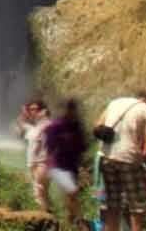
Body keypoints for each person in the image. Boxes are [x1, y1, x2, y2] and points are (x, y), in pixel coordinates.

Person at [95, 90, 146, 231]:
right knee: (137, 208)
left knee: (112, 206)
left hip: (106, 158)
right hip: (129, 159)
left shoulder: (115, 103)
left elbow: (97, 126)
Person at [44, 98, 87, 231]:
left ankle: (68, 223)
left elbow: (82, 146)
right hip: (57, 166)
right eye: (70, 109)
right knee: (72, 191)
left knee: (70, 196)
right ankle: (80, 223)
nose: (72, 112)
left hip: (71, 166)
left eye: (73, 109)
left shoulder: (76, 126)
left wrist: (82, 166)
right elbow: (49, 147)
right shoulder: (55, 126)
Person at [16, 97, 52, 213]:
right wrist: (23, 113)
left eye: (35, 109)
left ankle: (45, 219)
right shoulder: (34, 127)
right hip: (36, 164)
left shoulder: (46, 125)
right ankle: (49, 216)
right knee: (42, 193)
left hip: (42, 164)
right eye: (30, 109)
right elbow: (21, 124)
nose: (32, 112)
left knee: (39, 193)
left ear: (42, 110)